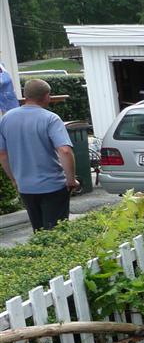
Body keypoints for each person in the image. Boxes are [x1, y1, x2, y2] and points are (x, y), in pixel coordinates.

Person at [0, 78, 80, 231]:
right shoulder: (50, 118)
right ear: (47, 96)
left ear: (25, 95)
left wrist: (14, 179)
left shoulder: (6, 119)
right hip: (53, 186)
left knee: (39, 232)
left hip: (26, 187)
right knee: (56, 233)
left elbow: (2, 154)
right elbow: (64, 150)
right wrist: (71, 180)